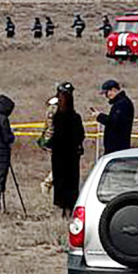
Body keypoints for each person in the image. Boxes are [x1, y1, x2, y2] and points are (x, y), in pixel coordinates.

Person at [48, 84, 85, 217]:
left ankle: (64, 206)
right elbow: (81, 135)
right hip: (70, 155)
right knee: (69, 181)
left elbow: (55, 136)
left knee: (63, 181)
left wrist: (50, 144)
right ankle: (68, 206)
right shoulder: (74, 117)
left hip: (62, 155)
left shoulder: (60, 117)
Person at [92, 79, 135, 155]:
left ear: (113, 90)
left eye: (107, 93)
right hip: (116, 146)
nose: (106, 96)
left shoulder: (122, 104)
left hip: (117, 147)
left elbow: (114, 122)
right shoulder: (121, 103)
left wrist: (100, 116)